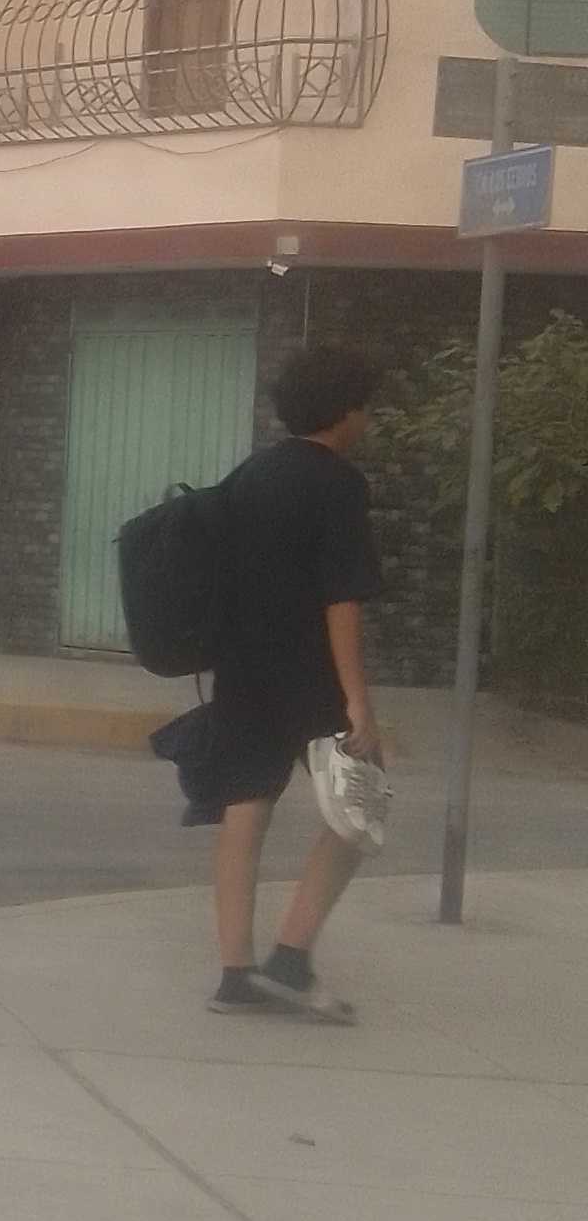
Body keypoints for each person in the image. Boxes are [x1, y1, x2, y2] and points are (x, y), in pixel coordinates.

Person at [156, 340, 386, 1018]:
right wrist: (357, 699)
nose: (368, 419)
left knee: (246, 804)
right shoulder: (339, 484)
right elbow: (341, 598)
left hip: (244, 668)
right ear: (344, 411)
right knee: (361, 803)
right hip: (312, 675)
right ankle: (290, 961)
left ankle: (235, 974)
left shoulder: (251, 474)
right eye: (366, 406)